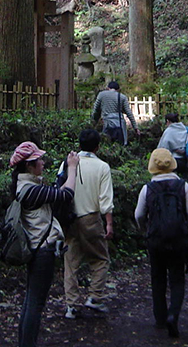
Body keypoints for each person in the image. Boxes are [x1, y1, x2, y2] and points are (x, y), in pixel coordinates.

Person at [10, 141, 80, 347]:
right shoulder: (30, 190)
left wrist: (66, 172)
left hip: (36, 249)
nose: (42, 162)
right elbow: (66, 195)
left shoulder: (26, 186)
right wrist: (73, 168)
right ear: (29, 165)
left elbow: (57, 192)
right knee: (35, 303)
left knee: (31, 300)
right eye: (39, 160)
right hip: (42, 251)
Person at [134, 148, 188, 338]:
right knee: (178, 278)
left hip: (156, 239)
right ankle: (174, 314)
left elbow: (138, 214)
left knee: (157, 277)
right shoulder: (183, 186)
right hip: (179, 239)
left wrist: (144, 229)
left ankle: (160, 318)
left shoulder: (148, 188)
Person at [61, 129, 115, 319]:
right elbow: (105, 199)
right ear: (97, 147)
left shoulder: (69, 163)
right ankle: (94, 296)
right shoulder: (102, 167)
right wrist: (109, 223)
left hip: (70, 218)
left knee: (70, 262)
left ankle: (71, 305)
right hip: (91, 218)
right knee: (100, 258)